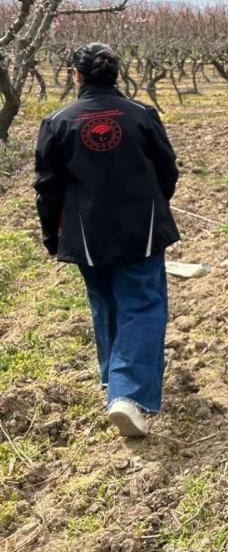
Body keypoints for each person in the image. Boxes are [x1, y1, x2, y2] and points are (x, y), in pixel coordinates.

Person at [33, 42, 180, 438]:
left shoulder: (58, 121)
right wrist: (155, 206)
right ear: (117, 75)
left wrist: (51, 235)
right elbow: (167, 171)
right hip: (140, 229)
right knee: (144, 305)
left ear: (76, 76)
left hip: (85, 233)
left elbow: (47, 188)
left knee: (105, 301)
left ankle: (112, 379)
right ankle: (126, 394)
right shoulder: (141, 116)